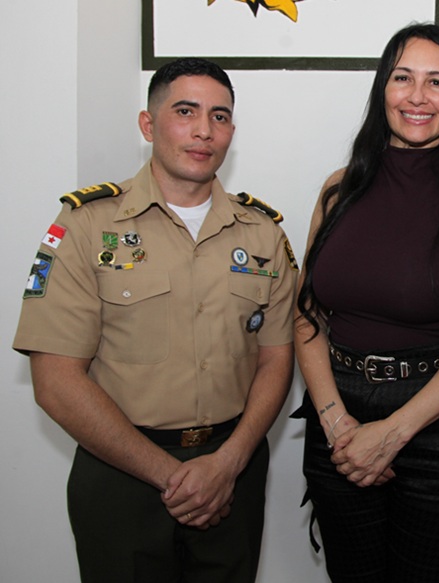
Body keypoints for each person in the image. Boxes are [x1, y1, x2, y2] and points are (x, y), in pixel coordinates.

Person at [13, 57, 298, 582]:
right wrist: (174, 477)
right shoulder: (85, 226)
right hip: (122, 475)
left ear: (232, 130)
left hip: (231, 472)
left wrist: (228, 462)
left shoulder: (263, 234)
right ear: (148, 124)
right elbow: (55, 381)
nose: (203, 130)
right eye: (185, 111)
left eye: (220, 116)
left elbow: (277, 358)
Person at [292, 23, 439, 583]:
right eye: (403, 79)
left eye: (436, 82)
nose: (417, 96)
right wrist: (334, 421)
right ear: (382, 91)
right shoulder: (337, 189)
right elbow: (307, 315)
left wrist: (394, 431)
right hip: (337, 418)